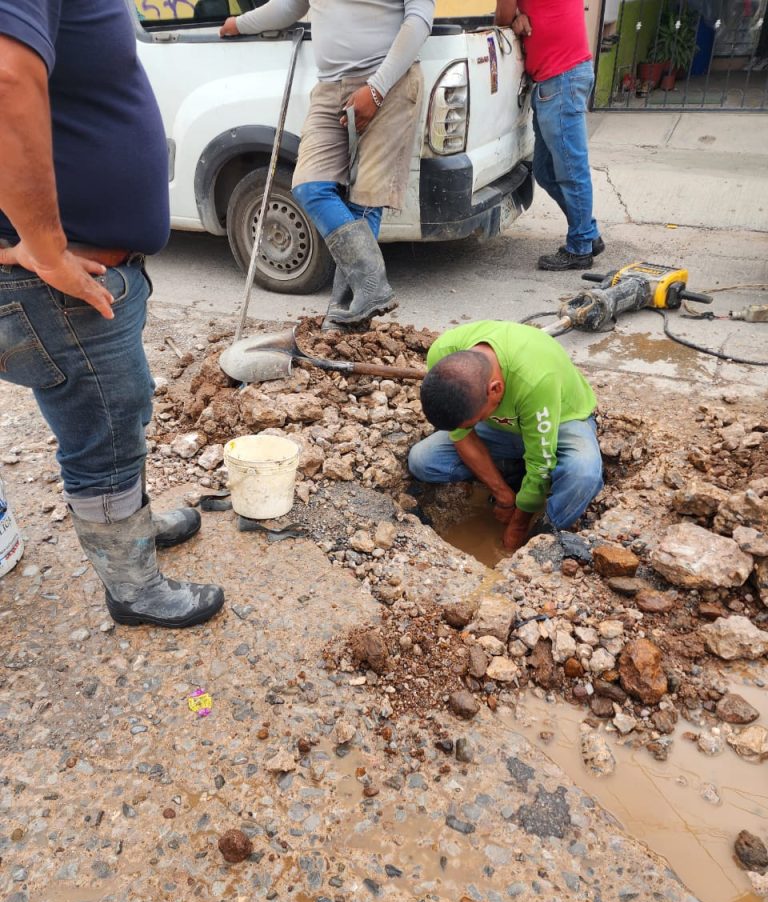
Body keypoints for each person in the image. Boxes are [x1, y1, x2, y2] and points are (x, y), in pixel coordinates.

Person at [0, 0, 224, 628]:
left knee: (110, 414)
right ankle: (132, 588)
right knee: (105, 435)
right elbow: (7, 78)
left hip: (77, 277)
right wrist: (46, 250)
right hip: (62, 284)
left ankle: (134, 528)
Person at [221, 0, 434, 330]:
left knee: (365, 200)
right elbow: (289, 6)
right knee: (310, 187)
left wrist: (376, 89)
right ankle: (370, 289)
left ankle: (343, 314)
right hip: (330, 88)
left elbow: (419, 19)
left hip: (389, 84)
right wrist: (239, 23)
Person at [408, 321, 603, 551]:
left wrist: (519, 526)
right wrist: (504, 496)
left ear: (495, 389)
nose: (470, 427)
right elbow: (461, 435)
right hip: (501, 427)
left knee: (583, 474)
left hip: (560, 419)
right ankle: (515, 474)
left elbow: (540, 463)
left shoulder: (536, 379)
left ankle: (543, 538)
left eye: (474, 421)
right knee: (422, 460)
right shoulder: (443, 355)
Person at [495, 0, 603, 271]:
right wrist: (519, 14)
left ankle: (580, 248)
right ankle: (587, 232)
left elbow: (501, 17)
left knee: (571, 170)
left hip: (561, 78)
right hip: (558, 77)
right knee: (544, 170)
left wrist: (515, 15)